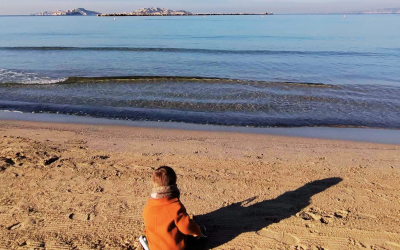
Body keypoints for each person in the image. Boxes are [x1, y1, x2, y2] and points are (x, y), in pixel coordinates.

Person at [141, 166, 206, 250]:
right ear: (174, 185)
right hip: (173, 248)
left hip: (154, 247)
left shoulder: (148, 207)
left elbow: (148, 227)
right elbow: (186, 227)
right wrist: (197, 231)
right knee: (194, 235)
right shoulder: (174, 206)